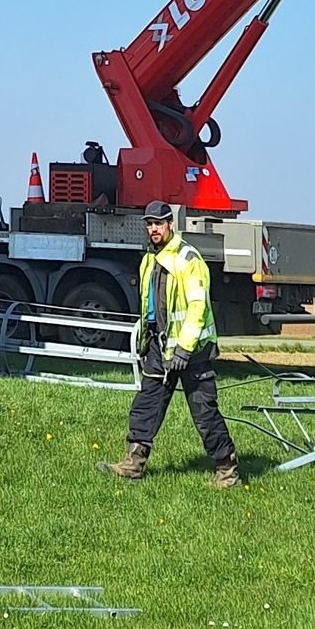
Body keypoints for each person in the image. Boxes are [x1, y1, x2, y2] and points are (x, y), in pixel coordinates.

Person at [110, 200, 240, 487]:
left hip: (192, 352)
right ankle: (133, 464)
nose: (153, 229)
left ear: (170, 224)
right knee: (146, 405)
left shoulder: (188, 259)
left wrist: (184, 348)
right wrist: (147, 342)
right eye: (149, 224)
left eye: (158, 223)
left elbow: (198, 307)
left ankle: (226, 469)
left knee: (204, 412)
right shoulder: (149, 258)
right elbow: (150, 308)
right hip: (160, 347)